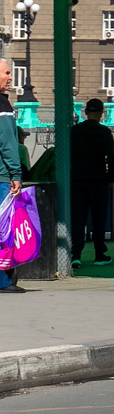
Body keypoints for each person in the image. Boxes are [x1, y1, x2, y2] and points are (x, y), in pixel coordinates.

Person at [70, 98, 114, 267]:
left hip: (77, 180)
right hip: (98, 181)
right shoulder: (104, 132)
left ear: (86, 112)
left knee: (78, 217)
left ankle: (75, 254)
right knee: (99, 218)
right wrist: (111, 178)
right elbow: (111, 158)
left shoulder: (74, 131)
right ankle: (99, 254)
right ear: (101, 113)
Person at [0, 59, 24, 293]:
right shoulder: (3, 105)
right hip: (0, 178)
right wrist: (15, 174)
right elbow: (8, 143)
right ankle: (2, 280)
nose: (10, 77)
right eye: (7, 73)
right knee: (3, 231)